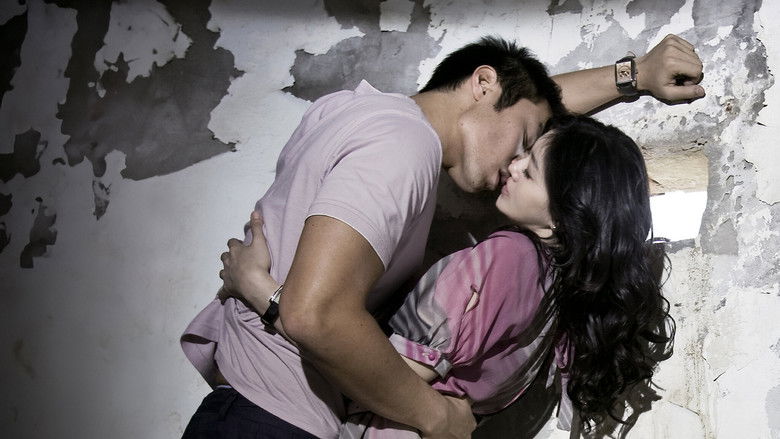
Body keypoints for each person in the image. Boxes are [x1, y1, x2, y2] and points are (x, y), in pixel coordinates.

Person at [182, 35, 702, 439]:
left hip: (258, 407)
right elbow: (314, 315)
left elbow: (526, 107)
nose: (515, 163)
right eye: (523, 144)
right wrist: (438, 417)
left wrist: (633, 76)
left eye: (530, 159)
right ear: (482, 83)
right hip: (274, 416)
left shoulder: (352, 113)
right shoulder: (403, 144)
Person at [219, 115, 674, 437]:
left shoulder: (508, 258)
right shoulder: (558, 296)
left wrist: (261, 290)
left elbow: (376, 372)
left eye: (531, 171)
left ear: (561, 218)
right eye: (525, 154)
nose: (514, 166)